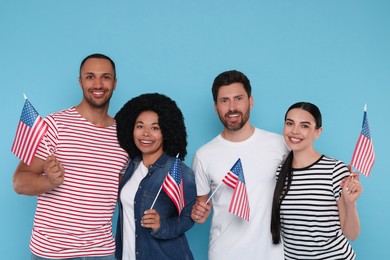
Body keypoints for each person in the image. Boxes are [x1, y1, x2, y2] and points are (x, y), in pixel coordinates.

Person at [13, 53, 129, 260]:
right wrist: (48, 181)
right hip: (52, 252)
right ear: (80, 81)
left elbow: (121, 189)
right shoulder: (54, 125)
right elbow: (19, 182)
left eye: (106, 77)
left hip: (101, 252)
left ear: (115, 83)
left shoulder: (124, 136)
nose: (98, 84)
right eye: (90, 76)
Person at [191, 70, 289, 260]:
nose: (232, 107)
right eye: (224, 100)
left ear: (250, 101)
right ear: (215, 107)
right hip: (224, 253)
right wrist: (199, 214)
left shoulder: (280, 145)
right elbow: (201, 208)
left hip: (272, 254)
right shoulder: (203, 155)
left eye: (238, 98)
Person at [271, 102, 362, 259]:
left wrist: (350, 203)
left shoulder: (335, 169)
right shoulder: (279, 172)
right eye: (289, 123)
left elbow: (352, 234)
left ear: (317, 132)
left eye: (304, 126)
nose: (295, 131)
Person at [114, 93, 196, 260]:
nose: (146, 133)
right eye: (140, 126)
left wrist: (161, 226)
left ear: (166, 132)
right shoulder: (130, 167)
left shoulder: (178, 171)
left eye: (155, 128)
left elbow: (190, 216)